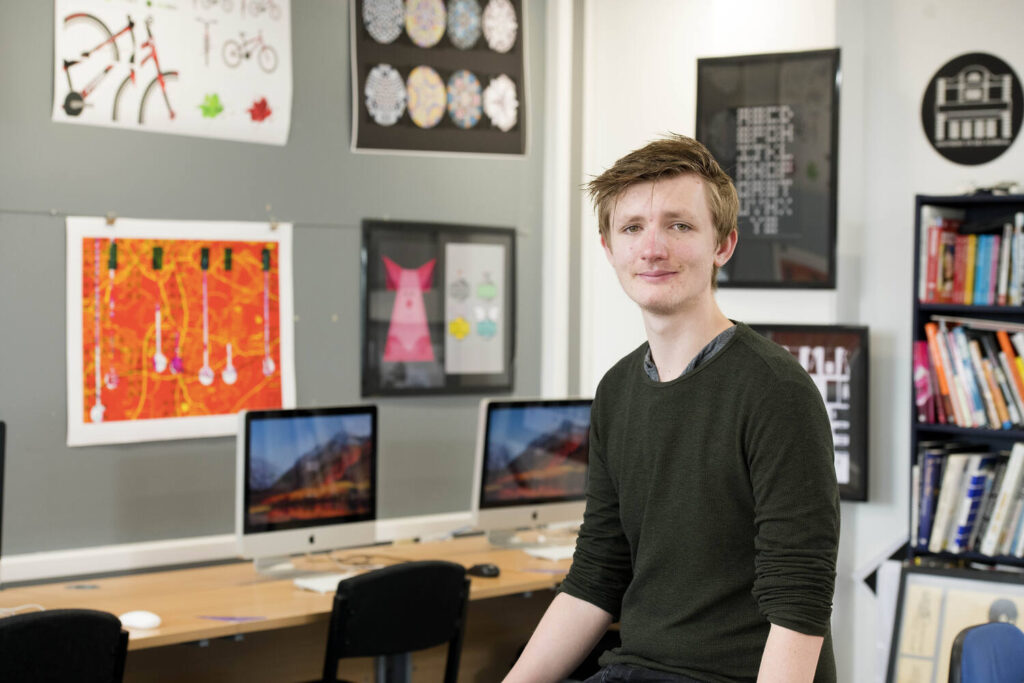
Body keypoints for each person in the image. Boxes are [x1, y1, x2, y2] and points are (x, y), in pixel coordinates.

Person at [504, 134, 840, 683]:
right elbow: (595, 577)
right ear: (609, 248)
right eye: (632, 227)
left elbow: (799, 597)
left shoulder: (776, 390)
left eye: (679, 226)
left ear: (723, 245)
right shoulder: (617, 391)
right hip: (635, 670)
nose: (652, 248)